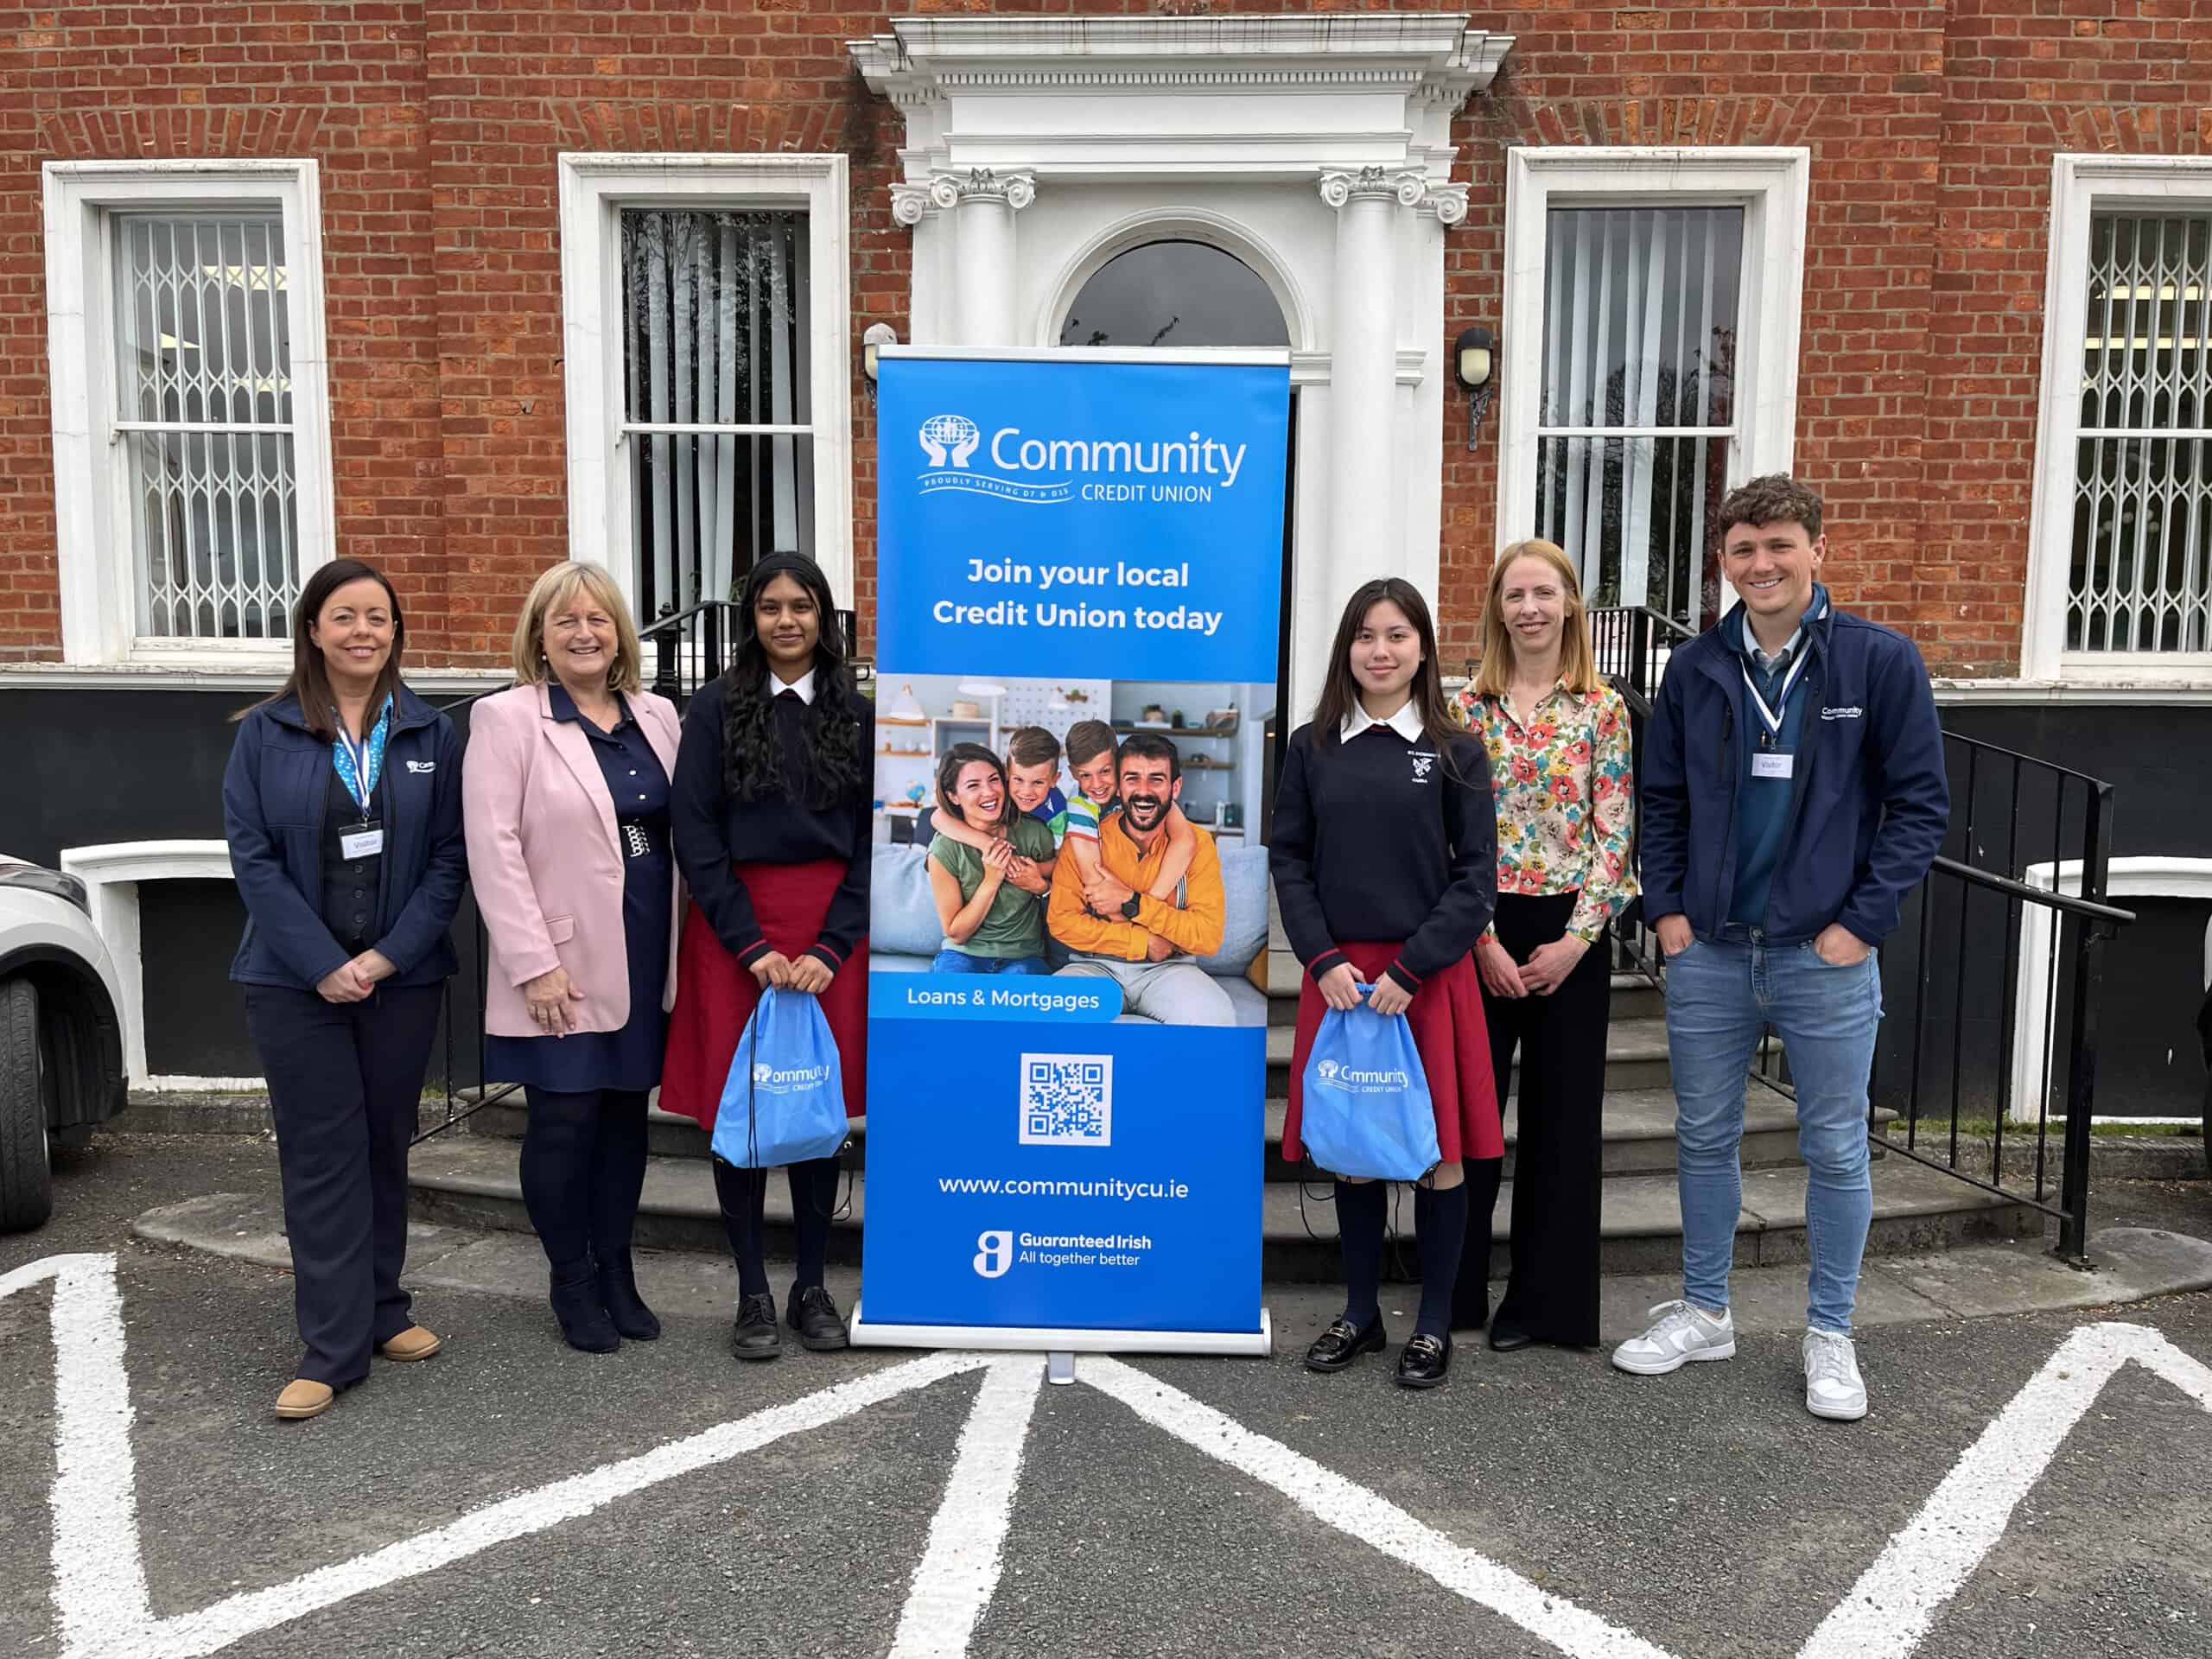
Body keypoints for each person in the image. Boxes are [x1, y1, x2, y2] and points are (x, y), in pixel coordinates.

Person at [1613, 474, 1948, 1422]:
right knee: (1703, 1137)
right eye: (1742, 550)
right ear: (1722, 561)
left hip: (1823, 953)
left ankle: (1830, 1332)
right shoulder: (1695, 669)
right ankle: (1707, 1310)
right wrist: (1666, 913)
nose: (1760, 565)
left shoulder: (1877, 663)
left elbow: (1919, 808)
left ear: (1817, 551)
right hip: (1710, 951)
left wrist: (1860, 924)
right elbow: (1663, 801)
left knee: (1836, 1146)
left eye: (1778, 547)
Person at [221, 558, 466, 1421]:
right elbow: (251, 859)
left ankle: (382, 1307)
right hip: (293, 983)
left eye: (378, 618)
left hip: (401, 979)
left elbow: (448, 861)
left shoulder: (431, 735)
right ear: (314, 631)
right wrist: (322, 960)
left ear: (395, 632)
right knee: (323, 1155)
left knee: (383, 1144)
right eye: (345, 616)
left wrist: (386, 958)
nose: (363, 631)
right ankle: (331, 1345)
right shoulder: (266, 733)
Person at [1271, 577, 1501, 1389]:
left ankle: (1433, 1325)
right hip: (1338, 977)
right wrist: (1323, 960)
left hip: (1425, 979)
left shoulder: (1456, 750)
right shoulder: (1312, 746)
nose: (1381, 650)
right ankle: (1360, 1312)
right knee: (1354, 1152)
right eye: (1366, 636)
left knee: (1441, 1155)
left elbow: (1476, 879)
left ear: (1424, 648)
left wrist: (1412, 967)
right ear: (1347, 649)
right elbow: (1289, 862)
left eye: (1398, 635)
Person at [463, 562, 682, 1354]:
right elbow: (494, 848)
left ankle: (618, 1270)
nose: (584, 633)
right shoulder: (507, 719)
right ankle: (571, 1278)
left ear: (620, 633)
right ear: (540, 639)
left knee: (626, 1119)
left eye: (598, 619)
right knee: (563, 1121)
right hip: (561, 959)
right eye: (565, 622)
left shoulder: (658, 717)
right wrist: (531, 963)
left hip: (647, 946)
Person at [660, 552, 871, 1361]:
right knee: (743, 1115)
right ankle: (751, 1293)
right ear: (751, 619)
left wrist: (832, 943)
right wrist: (749, 944)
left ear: (825, 617)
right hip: (734, 933)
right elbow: (696, 834)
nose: (787, 621)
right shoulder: (714, 710)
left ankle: (811, 1285)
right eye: (771, 607)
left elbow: (869, 843)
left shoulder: (858, 713)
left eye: (803, 606)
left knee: (816, 1114)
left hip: (829, 937)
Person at [1460, 540, 1638, 1351]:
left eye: (1544, 593)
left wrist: (1576, 941)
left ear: (1570, 604)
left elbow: (1616, 835)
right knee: (1471, 1118)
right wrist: (1481, 939)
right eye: (1514, 594)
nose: (1529, 608)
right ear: (1497, 609)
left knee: (1564, 1125)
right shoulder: (1465, 710)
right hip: (1482, 931)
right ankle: (1455, 1291)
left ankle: (1544, 1305)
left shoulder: (1602, 710)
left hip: (1571, 932)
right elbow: (1449, 841)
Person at [1047, 733, 1232, 1026]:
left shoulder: (1197, 843)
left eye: (1156, 779)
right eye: (1132, 778)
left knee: (1215, 1020)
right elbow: (1062, 920)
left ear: (1175, 787)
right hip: (1094, 966)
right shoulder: (1085, 837)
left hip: (1170, 969)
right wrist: (1141, 941)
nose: (1143, 791)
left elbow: (1208, 936)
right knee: (1051, 1016)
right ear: (1119, 786)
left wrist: (1132, 902)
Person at [926, 744, 1056, 975]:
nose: (989, 792)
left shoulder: (1035, 834)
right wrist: (991, 880)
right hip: (963, 954)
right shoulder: (944, 848)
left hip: (1023, 956)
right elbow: (956, 933)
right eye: (973, 785)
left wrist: (1042, 886)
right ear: (953, 796)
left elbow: (1063, 898)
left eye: (994, 780)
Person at [1060, 719, 1197, 901]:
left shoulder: (1142, 794)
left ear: (1118, 763)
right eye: (1085, 775)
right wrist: (1128, 918)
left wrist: (1145, 907)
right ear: (1074, 773)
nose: (1097, 784)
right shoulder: (1080, 804)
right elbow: (1093, 878)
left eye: (1105, 771)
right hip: (1104, 906)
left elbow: (1185, 841)